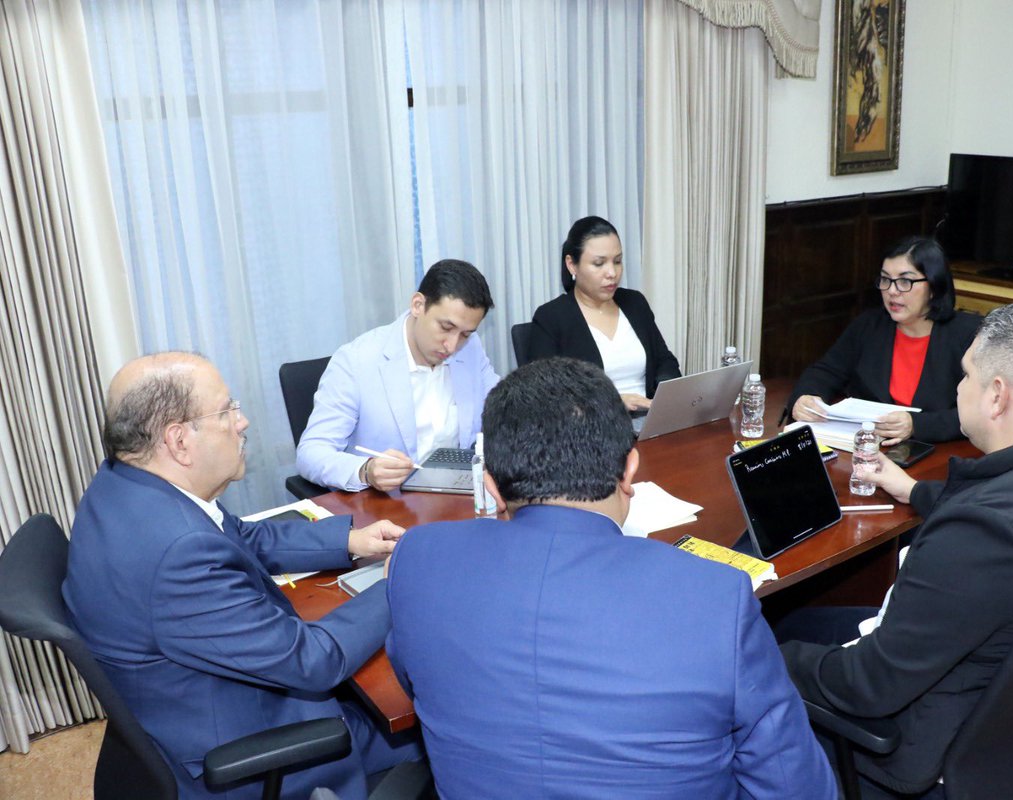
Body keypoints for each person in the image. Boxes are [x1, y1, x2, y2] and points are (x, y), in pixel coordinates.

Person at [384, 357, 837, 800]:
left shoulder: (417, 559)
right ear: (629, 470)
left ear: (492, 487)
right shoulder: (717, 596)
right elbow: (798, 785)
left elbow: (416, 682)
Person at [775, 303, 1013, 798]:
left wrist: (764, 659)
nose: (956, 388)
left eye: (965, 375)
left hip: (920, 745)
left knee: (771, 645)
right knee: (798, 622)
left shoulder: (979, 538)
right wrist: (913, 490)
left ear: (996, 396)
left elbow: (867, 685)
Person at [63, 353, 421, 800]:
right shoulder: (178, 553)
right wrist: (402, 578)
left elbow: (237, 536)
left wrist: (350, 541)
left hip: (190, 702)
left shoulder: (127, 484)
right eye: (227, 409)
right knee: (433, 723)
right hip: (252, 749)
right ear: (178, 440)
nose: (243, 421)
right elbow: (313, 661)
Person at [297, 258, 500, 491]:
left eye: (465, 334)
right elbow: (310, 453)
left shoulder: (470, 348)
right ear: (417, 305)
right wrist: (366, 470)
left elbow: (501, 409)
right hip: (387, 505)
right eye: (446, 327)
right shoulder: (356, 362)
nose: (452, 346)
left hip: (454, 495)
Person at [786, 236, 980, 445]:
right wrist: (804, 397)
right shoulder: (869, 325)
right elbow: (826, 370)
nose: (892, 291)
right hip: (868, 448)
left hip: (938, 453)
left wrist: (918, 424)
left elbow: (983, 411)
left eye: (905, 281)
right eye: (885, 279)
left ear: (933, 286)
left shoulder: (968, 336)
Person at [527, 216, 680, 411]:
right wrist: (612, 403)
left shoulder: (634, 303)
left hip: (648, 422)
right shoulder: (552, 317)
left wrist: (666, 402)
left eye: (617, 261)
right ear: (572, 264)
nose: (612, 273)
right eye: (599, 264)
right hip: (594, 429)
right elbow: (543, 395)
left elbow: (665, 362)